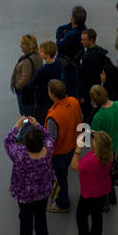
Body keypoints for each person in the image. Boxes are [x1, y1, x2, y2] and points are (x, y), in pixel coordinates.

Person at [4, 116, 54, 235]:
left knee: (25, 217)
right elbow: (49, 136)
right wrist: (37, 125)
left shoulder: (19, 154)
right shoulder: (48, 149)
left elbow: (8, 142)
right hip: (43, 191)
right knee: (41, 215)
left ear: (25, 143)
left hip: (24, 194)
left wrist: (17, 126)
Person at [71, 130, 113, 235]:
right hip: (103, 190)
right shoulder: (109, 154)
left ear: (97, 146)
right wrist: (97, 134)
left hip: (89, 193)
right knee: (97, 215)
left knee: (81, 216)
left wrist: (78, 149)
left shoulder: (90, 160)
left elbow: (73, 166)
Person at [44, 80, 82, 213]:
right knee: (63, 174)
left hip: (59, 153)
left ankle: (63, 204)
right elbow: (80, 120)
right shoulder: (74, 101)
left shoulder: (53, 116)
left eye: (48, 90)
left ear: (53, 95)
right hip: (72, 147)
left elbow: (51, 140)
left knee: (61, 178)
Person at [88, 84, 118, 208]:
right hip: (114, 147)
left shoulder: (98, 117)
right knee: (111, 171)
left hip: (102, 151)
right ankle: (113, 197)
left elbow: (94, 138)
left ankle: (104, 204)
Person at [76, 28, 111, 124]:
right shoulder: (99, 51)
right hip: (97, 87)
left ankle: (87, 138)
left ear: (91, 40)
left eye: (84, 39)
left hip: (88, 92)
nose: (81, 41)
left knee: (87, 116)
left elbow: (85, 79)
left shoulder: (89, 58)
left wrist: (81, 95)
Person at [55, 5, 87, 100]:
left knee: (69, 89)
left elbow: (59, 46)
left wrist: (60, 39)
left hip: (69, 66)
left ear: (73, 18)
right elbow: (60, 28)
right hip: (75, 62)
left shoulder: (72, 35)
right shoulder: (83, 28)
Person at [27, 40, 62, 124]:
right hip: (55, 99)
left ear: (47, 54)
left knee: (42, 124)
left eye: (41, 51)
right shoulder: (58, 62)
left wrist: (36, 85)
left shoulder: (42, 70)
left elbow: (31, 85)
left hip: (42, 102)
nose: (38, 52)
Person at [10, 33, 42, 117]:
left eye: (22, 44)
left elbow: (25, 78)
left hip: (25, 93)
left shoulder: (27, 61)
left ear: (28, 46)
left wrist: (17, 86)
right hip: (33, 91)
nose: (20, 45)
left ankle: (28, 129)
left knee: (25, 115)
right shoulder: (37, 56)